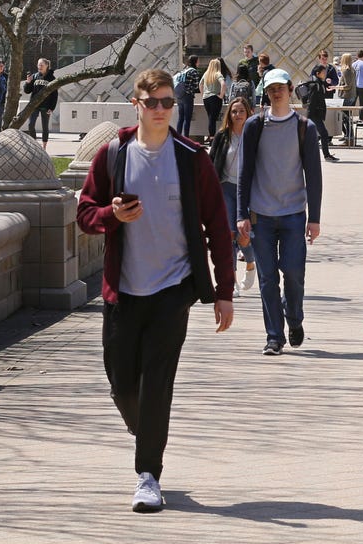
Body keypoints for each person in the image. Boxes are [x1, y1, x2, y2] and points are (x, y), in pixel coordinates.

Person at [76, 68, 236, 514]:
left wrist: (225, 290)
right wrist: (111, 215)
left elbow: (218, 228)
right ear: (137, 105)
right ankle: (146, 428)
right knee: (121, 383)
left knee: (157, 384)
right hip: (123, 291)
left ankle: (148, 474)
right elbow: (85, 213)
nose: (163, 110)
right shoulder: (114, 154)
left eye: (169, 102)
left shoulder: (191, 156)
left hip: (174, 287)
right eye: (154, 103)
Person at [237, 69, 324, 355]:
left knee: (294, 273)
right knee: (267, 278)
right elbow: (244, 172)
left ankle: (294, 318)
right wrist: (241, 214)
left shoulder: (304, 127)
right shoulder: (254, 125)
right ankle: (274, 336)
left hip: (293, 214)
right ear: (267, 91)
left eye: (281, 88)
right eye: (271, 88)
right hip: (261, 215)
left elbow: (313, 175)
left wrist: (315, 218)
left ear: (290, 90)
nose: (276, 93)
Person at [209, 96, 257, 298]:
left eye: (241, 111)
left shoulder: (255, 135)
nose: (237, 115)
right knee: (229, 235)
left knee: (244, 236)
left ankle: (251, 263)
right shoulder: (222, 136)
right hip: (226, 187)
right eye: (234, 111)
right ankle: (231, 282)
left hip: (248, 190)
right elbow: (211, 162)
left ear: (248, 114)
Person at [299, 63, 339, 162]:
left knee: (313, 136)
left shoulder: (319, 83)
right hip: (314, 114)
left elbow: (326, 85)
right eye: (323, 72)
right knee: (324, 134)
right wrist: (309, 117)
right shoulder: (314, 85)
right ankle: (326, 156)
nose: (325, 74)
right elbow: (312, 102)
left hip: (317, 113)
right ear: (318, 73)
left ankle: (303, 154)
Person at [23, 59, 58, 147]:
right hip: (34, 105)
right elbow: (27, 91)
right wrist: (28, 82)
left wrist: (52, 108)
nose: (39, 67)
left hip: (46, 106)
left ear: (47, 66)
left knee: (45, 127)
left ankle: (44, 147)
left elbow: (55, 95)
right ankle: (34, 144)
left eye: (42, 65)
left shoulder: (52, 78)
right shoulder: (35, 76)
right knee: (31, 125)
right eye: (38, 65)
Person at [174, 56, 201, 138]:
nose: (199, 62)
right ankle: (186, 137)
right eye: (198, 60)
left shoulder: (184, 70)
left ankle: (177, 136)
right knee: (187, 118)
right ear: (195, 61)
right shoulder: (194, 71)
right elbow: (196, 86)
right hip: (188, 96)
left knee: (181, 118)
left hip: (179, 96)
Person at [200, 58, 226, 137]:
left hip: (206, 98)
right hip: (215, 98)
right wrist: (221, 95)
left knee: (210, 118)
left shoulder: (206, 74)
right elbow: (223, 84)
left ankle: (211, 136)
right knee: (213, 119)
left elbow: (200, 84)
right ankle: (212, 137)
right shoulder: (218, 73)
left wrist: (203, 95)